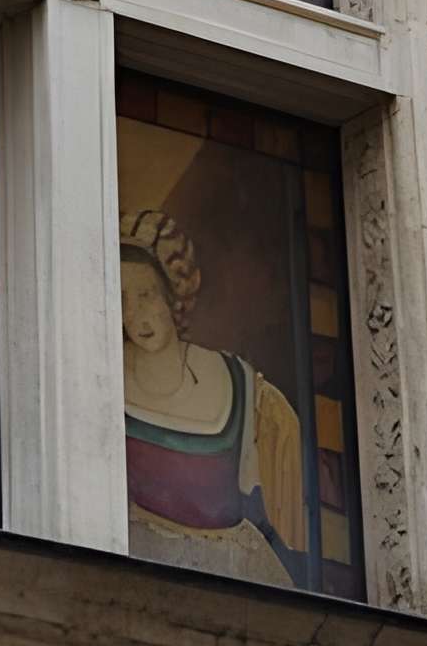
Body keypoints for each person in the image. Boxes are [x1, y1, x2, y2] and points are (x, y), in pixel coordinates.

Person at [118, 207, 306, 589]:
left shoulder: (238, 382)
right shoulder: (103, 376)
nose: (136, 313)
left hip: (232, 570)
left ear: (173, 296)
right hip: (136, 564)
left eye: (145, 293)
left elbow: (286, 498)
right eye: (121, 297)